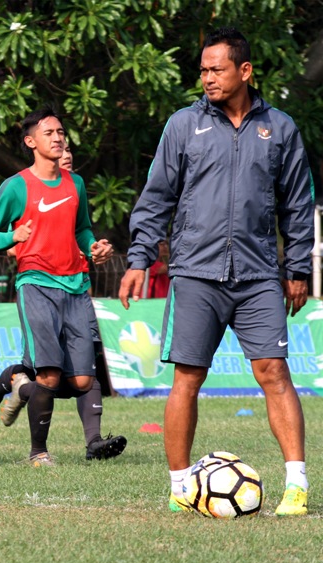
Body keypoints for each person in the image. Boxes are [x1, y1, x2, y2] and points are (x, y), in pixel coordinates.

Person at [119, 27, 313, 516]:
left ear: (244, 71)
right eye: (202, 69)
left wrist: (297, 268)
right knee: (187, 377)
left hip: (259, 276)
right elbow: (157, 195)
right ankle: (181, 487)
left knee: (274, 373)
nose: (206, 78)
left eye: (216, 69)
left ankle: (296, 485)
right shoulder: (183, 125)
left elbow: (297, 204)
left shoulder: (281, 128)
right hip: (195, 273)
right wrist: (140, 256)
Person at [0, 108, 114, 467]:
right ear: (30, 141)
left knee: (82, 378)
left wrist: (93, 248)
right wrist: (12, 235)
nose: (57, 137)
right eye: (49, 132)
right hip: (36, 284)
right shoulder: (16, 186)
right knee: (50, 373)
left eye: (61, 131)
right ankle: (39, 452)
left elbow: (82, 229)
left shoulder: (75, 183)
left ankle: (15, 386)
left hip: (76, 287)